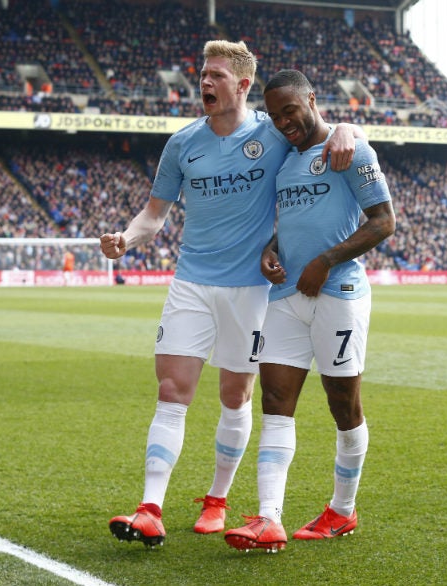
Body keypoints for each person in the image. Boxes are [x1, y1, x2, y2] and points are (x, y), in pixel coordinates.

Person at [99, 41, 364, 548]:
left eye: (216, 75)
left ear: (243, 85)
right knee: (172, 391)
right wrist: (125, 239)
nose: (204, 82)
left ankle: (218, 500)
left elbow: (322, 134)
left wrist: (351, 128)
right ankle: (150, 508)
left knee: (234, 395)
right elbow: (154, 214)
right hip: (191, 282)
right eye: (202, 74)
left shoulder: (273, 134)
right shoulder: (182, 143)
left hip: (252, 289)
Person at [224, 69, 395, 552]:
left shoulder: (350, 150)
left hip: (338, 293)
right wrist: (270, 250)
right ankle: (268, 518)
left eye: (289, 111)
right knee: (275, 402)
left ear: (311, 100)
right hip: (285, 298)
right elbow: (292, 221)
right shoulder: (284, 163)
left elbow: (384, 222)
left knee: (343, 405)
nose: (282, 122)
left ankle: (343, 511)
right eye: (275, 115)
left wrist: (325, 260)